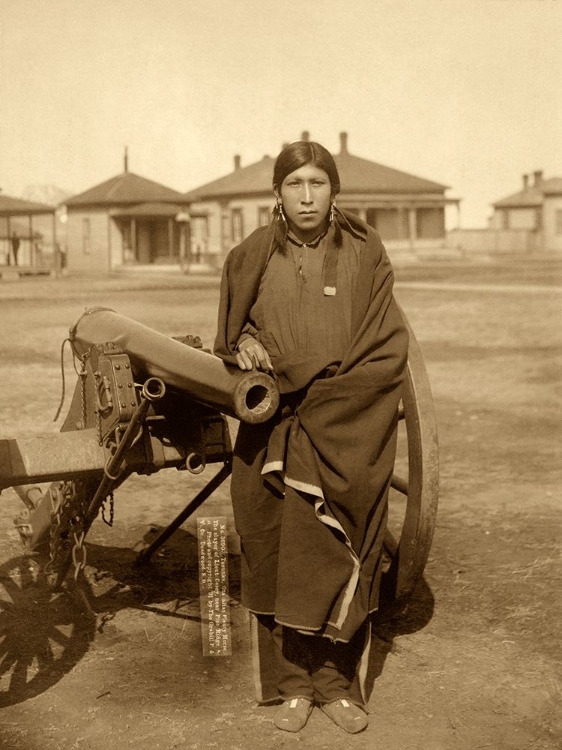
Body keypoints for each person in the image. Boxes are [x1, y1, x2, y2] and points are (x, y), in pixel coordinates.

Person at [214, 140, 408, 734]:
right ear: (276, 192)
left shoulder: (366, 251)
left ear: (334, 190)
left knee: (345, 547)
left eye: (317, 184)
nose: (305, 196)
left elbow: (384, 344)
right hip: (273, 429)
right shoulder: (248, 256)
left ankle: (337, 686)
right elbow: (229, 333)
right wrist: (245, 343)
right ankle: (292, 687)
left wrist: (321, 392)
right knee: (275, 551)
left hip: (349, 427)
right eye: (294, 184)